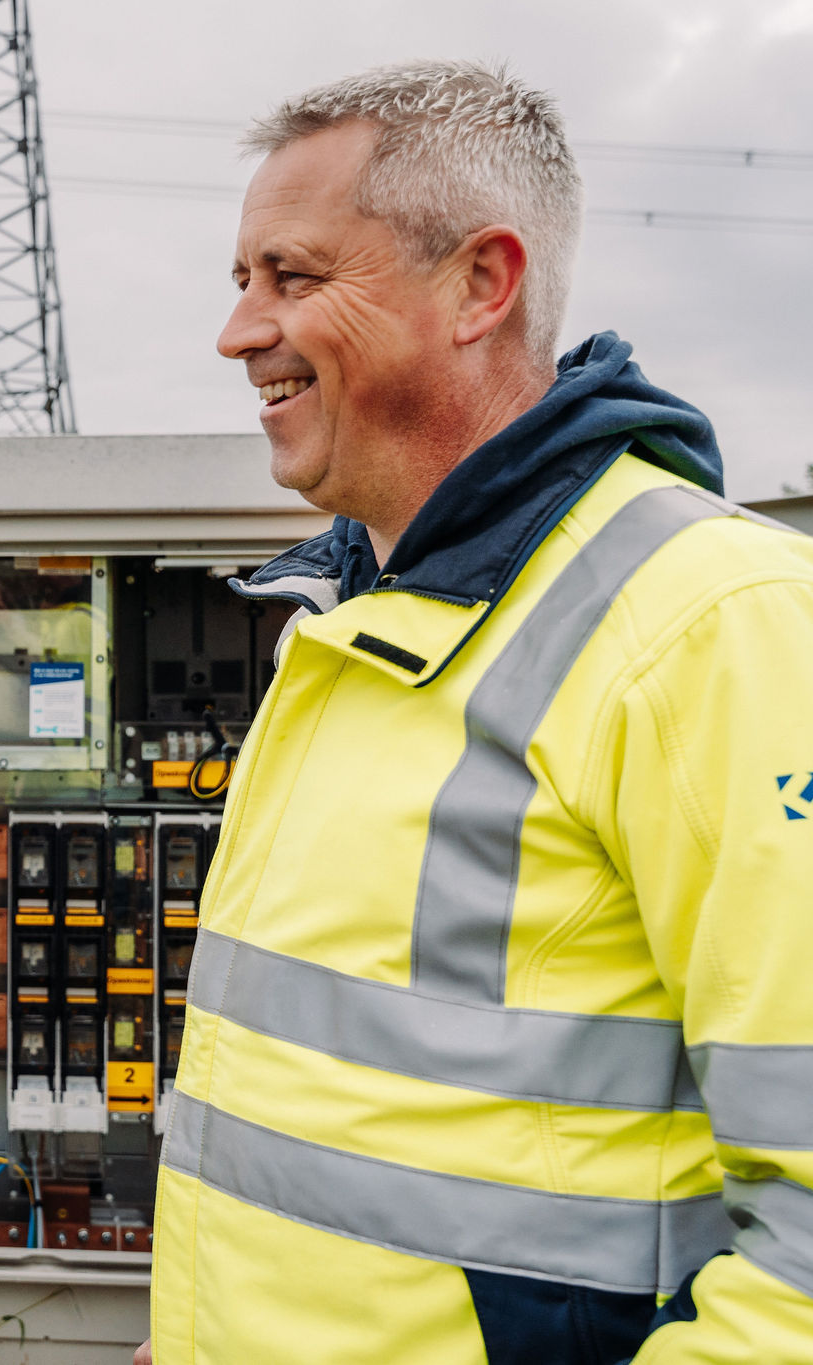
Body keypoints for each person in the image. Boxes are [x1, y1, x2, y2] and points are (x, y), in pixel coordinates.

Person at [137, 61, 813, 1364]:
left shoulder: (716, 623)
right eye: (240, 284)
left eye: (293, 276)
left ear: (481, 285)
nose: (239, 333)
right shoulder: (346, 621)